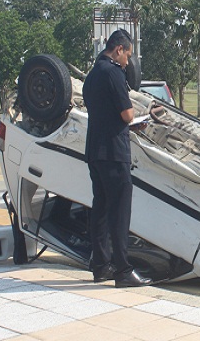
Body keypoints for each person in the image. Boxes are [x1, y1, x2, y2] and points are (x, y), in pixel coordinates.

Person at [83, 29, 152, 287]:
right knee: (120, 212)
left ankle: (101, 266)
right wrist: (133, 117)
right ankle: (123, 271)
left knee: (99, 210)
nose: (127, 62)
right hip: (113, 152)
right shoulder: (112, 72)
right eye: (127, 56)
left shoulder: (92, 75)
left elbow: (104, 114)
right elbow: (127, 115)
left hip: (95, 151)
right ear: (118, 50)